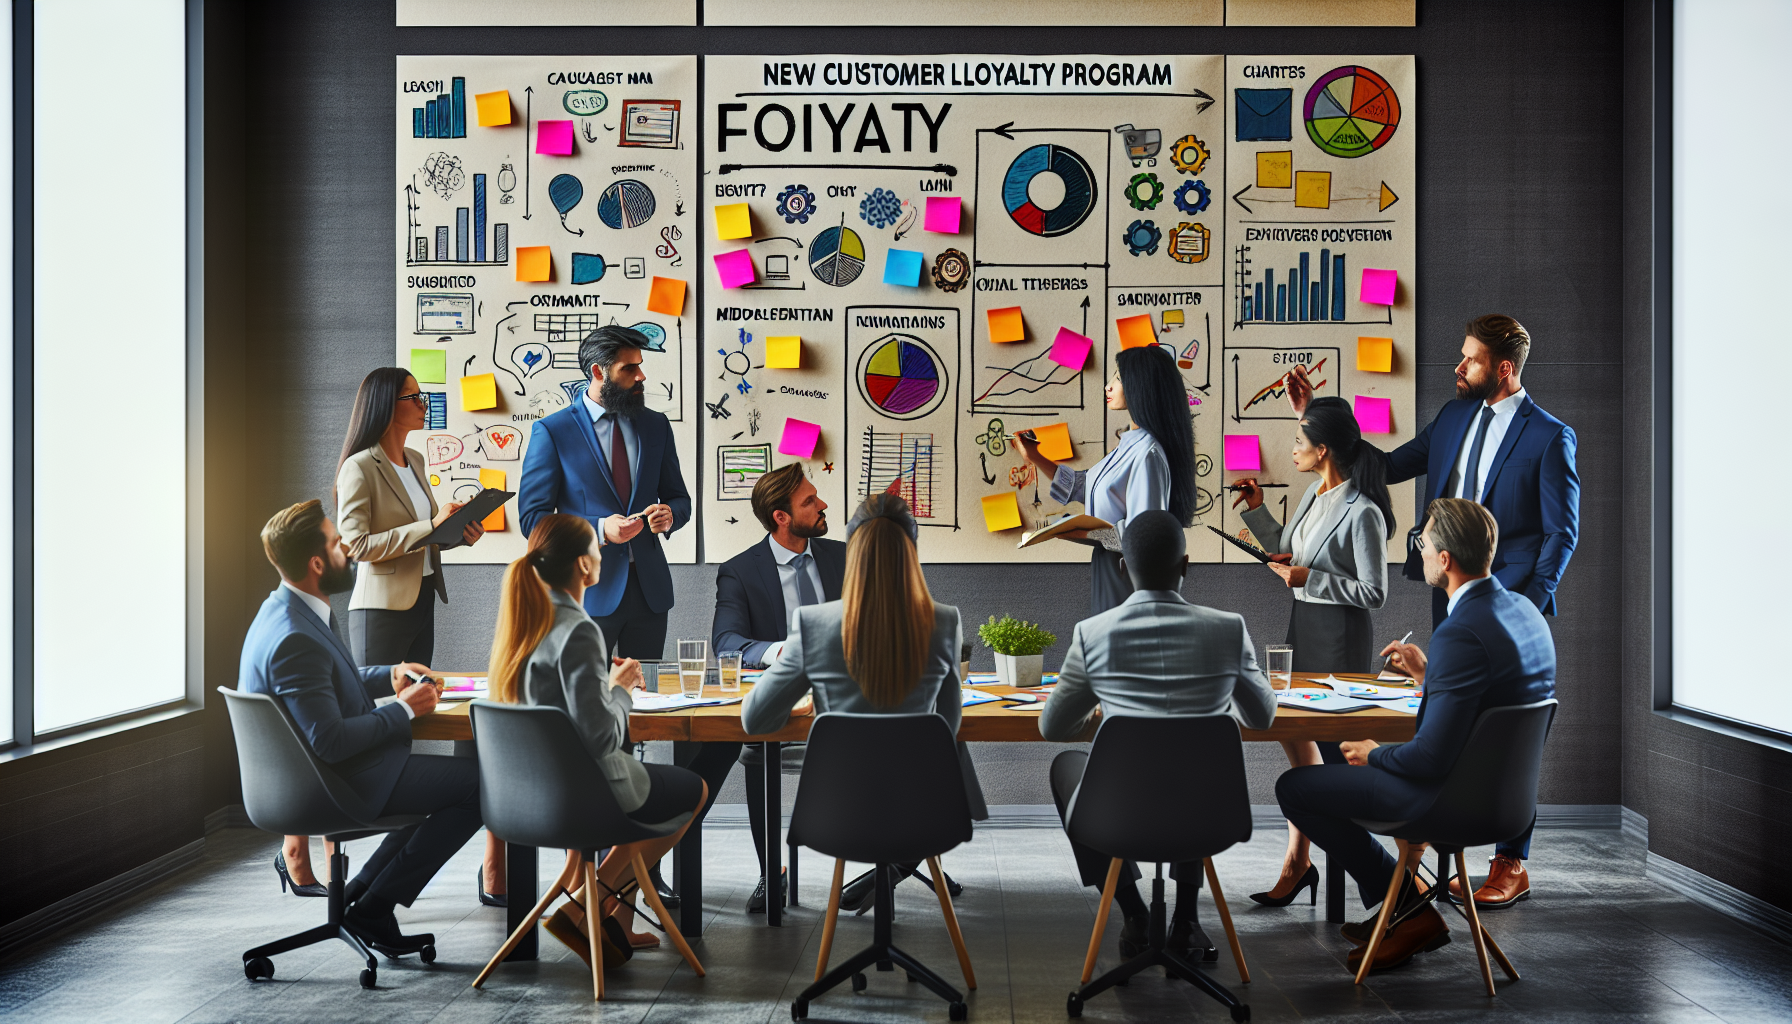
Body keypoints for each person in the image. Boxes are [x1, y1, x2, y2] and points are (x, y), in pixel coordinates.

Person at [1287, 313, 1578, 907]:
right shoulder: (1451, 417)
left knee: (1504, 728)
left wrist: (1521, 604)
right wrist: (1313, 418)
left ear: (1503, 367)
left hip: (1507, 603)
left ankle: (1509, 861)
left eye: (1468, 358)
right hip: (1451, 596)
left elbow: (1561, 533)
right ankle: (1429, 848)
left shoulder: (1549, 436)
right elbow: (1386, 466)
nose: (1457, 366)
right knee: (1443, 718)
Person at [1274, 499, 1556, 975]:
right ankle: (1403, 912)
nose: (1420, 552)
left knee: (1295, 789)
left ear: (1445, 559)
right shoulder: (1525, 611)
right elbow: (1491, 703)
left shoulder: (1459, 630)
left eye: (1422, 544)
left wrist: (1374, 753)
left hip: (1448, 801)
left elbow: (1427, 759)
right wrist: (1430, 678)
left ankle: (1407, 909)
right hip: (1508, 803)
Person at [240, 500, 483, 956]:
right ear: (316, 563)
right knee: (481, 789)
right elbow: (329, 741)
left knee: (452, 788)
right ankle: (373, 906)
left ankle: (361, 899)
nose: (348, 549)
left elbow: (326, 681)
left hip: (319, 775)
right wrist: (406, 709)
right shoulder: (296, 636)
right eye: (337, 544)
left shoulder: (286, 610)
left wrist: (387, 675)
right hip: (333, 783)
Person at [1039, 511, 1277, 963]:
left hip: (1117, 814)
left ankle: (1133, 916)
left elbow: (1052, 728)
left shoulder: (1092, 634)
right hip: (1208, 815)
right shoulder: (1229, 629)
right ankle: (1185, 920)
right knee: (1191, 765)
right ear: (1186, 565)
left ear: (1123, 567)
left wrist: (1103, 716)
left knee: (1066, 764)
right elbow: (1262, 717)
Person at [303, 367, 495, 907]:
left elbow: (420, 539)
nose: (424, 404)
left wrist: (454, 533)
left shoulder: (414, 461)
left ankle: (376, 882)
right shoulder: (358, 468)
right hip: (381, 610)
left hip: (420, 603)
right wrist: (429, 530)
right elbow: (357, 543)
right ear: (389, 404)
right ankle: (335, 861)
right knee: (378, 735)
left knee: (409, 730)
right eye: (416, 397)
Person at [487, 513, 707, 967]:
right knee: (695, 789)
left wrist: (605, 688)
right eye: (596, 546)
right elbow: (603, 736)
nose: (601, 553)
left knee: (645, 812)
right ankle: (587, 903)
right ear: (584, 566)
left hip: (523, 798)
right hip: (583, 796)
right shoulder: (580, 629)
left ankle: (600, 913)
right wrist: (621, 690)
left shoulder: (522, 620)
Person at [1230, 395, 1392, 906]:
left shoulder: (1362, 511)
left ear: (1323, 449)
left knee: (1333, 763)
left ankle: (1376, 884)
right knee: (1302, 747)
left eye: (1300, 442)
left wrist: (1309, 579)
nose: (1293, 449)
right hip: (1304, 633)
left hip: (1339, 646)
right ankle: (1302, 864)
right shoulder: (1310, 497)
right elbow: (1293, 550)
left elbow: (1374, 592)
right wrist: (1258, 513)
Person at [710, 462, 845, 912]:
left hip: (850, 696)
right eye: (810, 501)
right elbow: (727, 642)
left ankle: (899, 861)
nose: (822, 504)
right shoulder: (740, 572)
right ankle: (773, 872)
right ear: (781, 516)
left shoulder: (845, 556)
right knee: (755, 747)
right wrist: (784, 651)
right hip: (786, 698)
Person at [740, 490, 964, 751]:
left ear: (853, 551)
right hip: (915, 788)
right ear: (910, 551)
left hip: (833, 790)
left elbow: (753, 720)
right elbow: (949, 725)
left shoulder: (811, 624)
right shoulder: (946, 622)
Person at [518, 324, 692, 660]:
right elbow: (533, 520)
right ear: (598, 372)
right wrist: (598, 530)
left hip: (650, 594)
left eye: (640, 365)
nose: (641, 376)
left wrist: (670, 515)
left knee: (645, 698)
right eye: (629, 368)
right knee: (584, 699)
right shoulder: (553, 431)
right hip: (584, 592)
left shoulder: (656, 425)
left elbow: (679, 498)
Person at [1017, 344, 1198, 615]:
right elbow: (1084, 486)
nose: (1108, 386)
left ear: (1141, 386)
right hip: (1107, 563)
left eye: (1119, 378)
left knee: (1118, 650)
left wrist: (1070, 532)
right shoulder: (1128, 444)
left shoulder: (1147, 453)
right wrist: (1035, 456)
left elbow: (1143, 539)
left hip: (1129, 574)